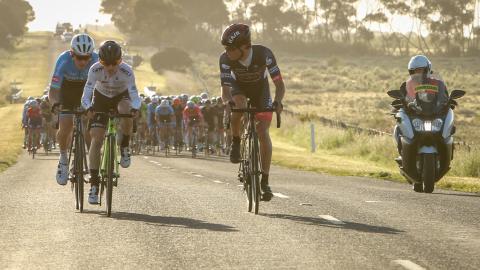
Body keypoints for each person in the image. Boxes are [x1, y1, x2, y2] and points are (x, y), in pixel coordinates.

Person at [219, 23, 285, 201]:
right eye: (225, 48)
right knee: (238, 104)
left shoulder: (264, 54)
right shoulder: (225, 59)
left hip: (260, 90)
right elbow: (225, 89)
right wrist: (227, 102)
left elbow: (279, 84)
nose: (227, 52)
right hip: (238, 87)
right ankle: (236, 140)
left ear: (244, 46)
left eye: (230, 48)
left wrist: (278, 101)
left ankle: (265, 180)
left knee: (263, 132)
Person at [81, 40, 141, 204]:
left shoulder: (127, 71)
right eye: (106, 63)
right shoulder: (95, 70)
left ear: (120, 60)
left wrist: (135, 108)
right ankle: (94, 183)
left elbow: (135, 94)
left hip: (121, 97)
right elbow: (87, 93)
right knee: (96, 139)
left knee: (125, 110)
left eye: (114, 63)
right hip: (101, 99)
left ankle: (125, 145)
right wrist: (87, 107)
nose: (110, 67)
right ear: (100, 61)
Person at [48, 33, 98, 185]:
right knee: (65, 125)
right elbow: (53, 90)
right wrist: (55, 104)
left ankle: (93, 165)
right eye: (79, 57)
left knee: (90, 129)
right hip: (67, 91)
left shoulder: (96, 61)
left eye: (86, 57)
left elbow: (101, 87)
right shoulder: (63, 60)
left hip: (87, 91)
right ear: (72, 54)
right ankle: (63, 159)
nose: (83, 61)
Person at [394, 55, 449, 157]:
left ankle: (447, 152)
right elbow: (401, 98)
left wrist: (448, 102)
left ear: (427, 69)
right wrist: (399, 104)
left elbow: (444, 97)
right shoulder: (406, 85)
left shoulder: (438, 83)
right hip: (415, 115)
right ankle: (402, 153)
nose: (417, 73)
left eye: (420, 70)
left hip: (434, 114)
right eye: (414, 71)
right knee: (398, 126)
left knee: (450, 127)